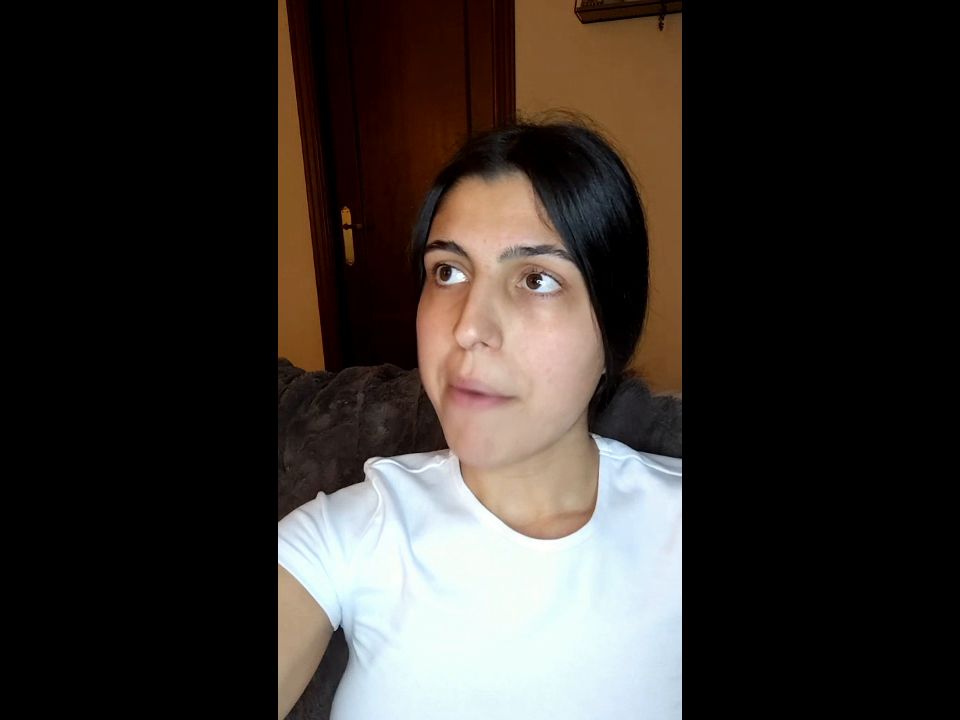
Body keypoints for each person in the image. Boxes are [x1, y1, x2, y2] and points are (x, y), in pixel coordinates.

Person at [278, 118, 681, 719]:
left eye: (537, 279)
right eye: (448, 271)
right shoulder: (348, 533)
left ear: (612, 331)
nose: (468, 326)